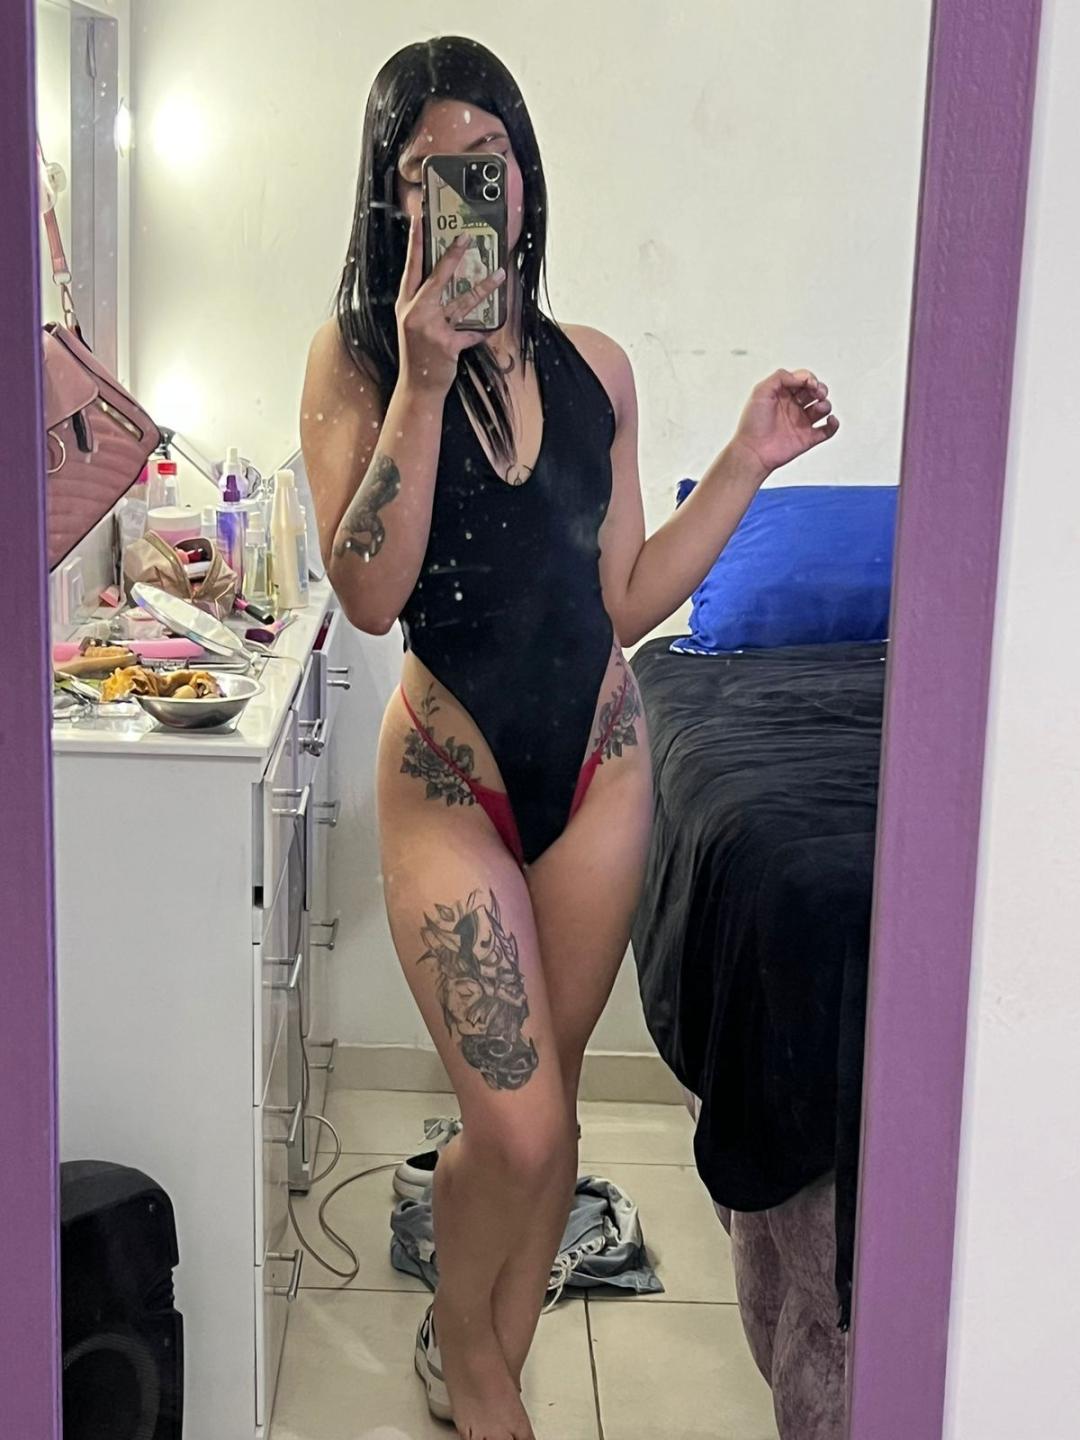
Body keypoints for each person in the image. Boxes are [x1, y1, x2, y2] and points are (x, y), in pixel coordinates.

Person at [301, 35, 838, 1440]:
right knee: (518, 1125)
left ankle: (487, 1347)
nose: (460, 190)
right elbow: (368, 596)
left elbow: (628, 598)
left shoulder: (596, 368)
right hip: (450, 784)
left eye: (485, 160)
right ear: (391, 200)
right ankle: (472, 1361)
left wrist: (745, 463)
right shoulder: (357, 362)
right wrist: (424, 381)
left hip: (601, 778)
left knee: (553, 1129)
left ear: (526, 179)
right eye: (424, 171)